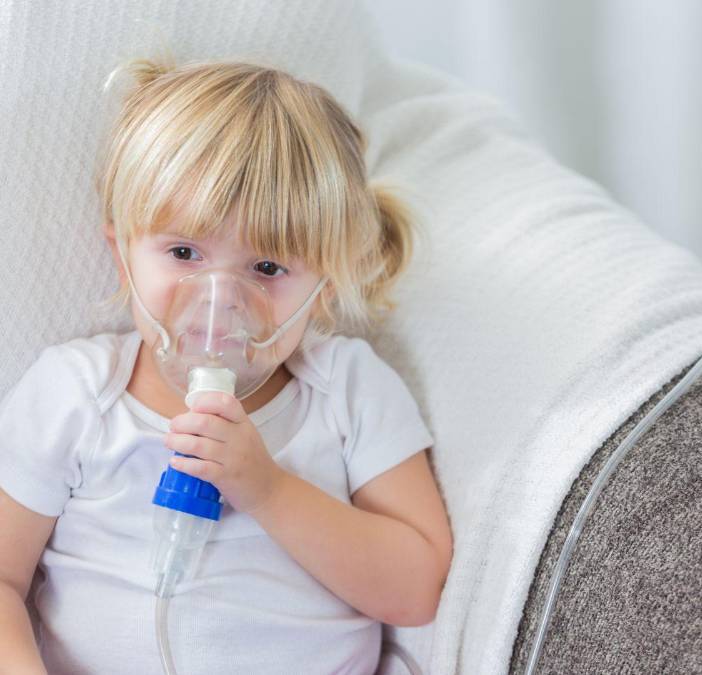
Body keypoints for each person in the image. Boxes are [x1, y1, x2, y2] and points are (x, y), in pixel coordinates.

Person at [0, 57, 452, 674]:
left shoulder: (348, 391)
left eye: (267, 268)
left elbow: (417, 589)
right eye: (184, 252)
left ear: (324, 286)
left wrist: (268, 490)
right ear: (122, 255)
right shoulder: (76, 394)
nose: (221, 301)